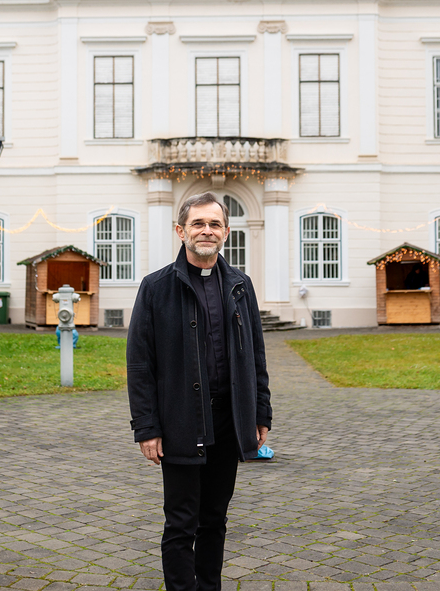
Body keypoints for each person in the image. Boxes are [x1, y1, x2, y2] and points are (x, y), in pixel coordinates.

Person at [127, 192, 272, 590]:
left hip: (228, 419)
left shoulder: (241, 285)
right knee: (180, 522)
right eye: (197, 224)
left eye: (214, 224)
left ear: (226, 232)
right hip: (180, 420)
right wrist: (146, 427)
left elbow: (256, 355)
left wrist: (260, 413)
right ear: (181, 231)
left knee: (215, 519)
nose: (206, 231)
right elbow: (140, 365)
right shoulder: (156, 288)